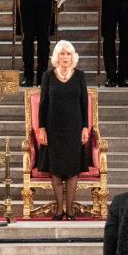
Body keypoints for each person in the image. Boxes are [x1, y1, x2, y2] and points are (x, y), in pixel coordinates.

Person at [37, 41, 90, 221]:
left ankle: (70, 210)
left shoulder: (80, 76)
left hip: (74, 128)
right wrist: (41, 127)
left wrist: (85, 127)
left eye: (68, 54)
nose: (65, 57)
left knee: (72, 170)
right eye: (62, 53)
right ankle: (59, 210)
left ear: (73, 56)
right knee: (57, 170)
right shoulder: (48, 76)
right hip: (53, 129)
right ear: (57, 56)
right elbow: (43, 104)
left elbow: (84, 103)